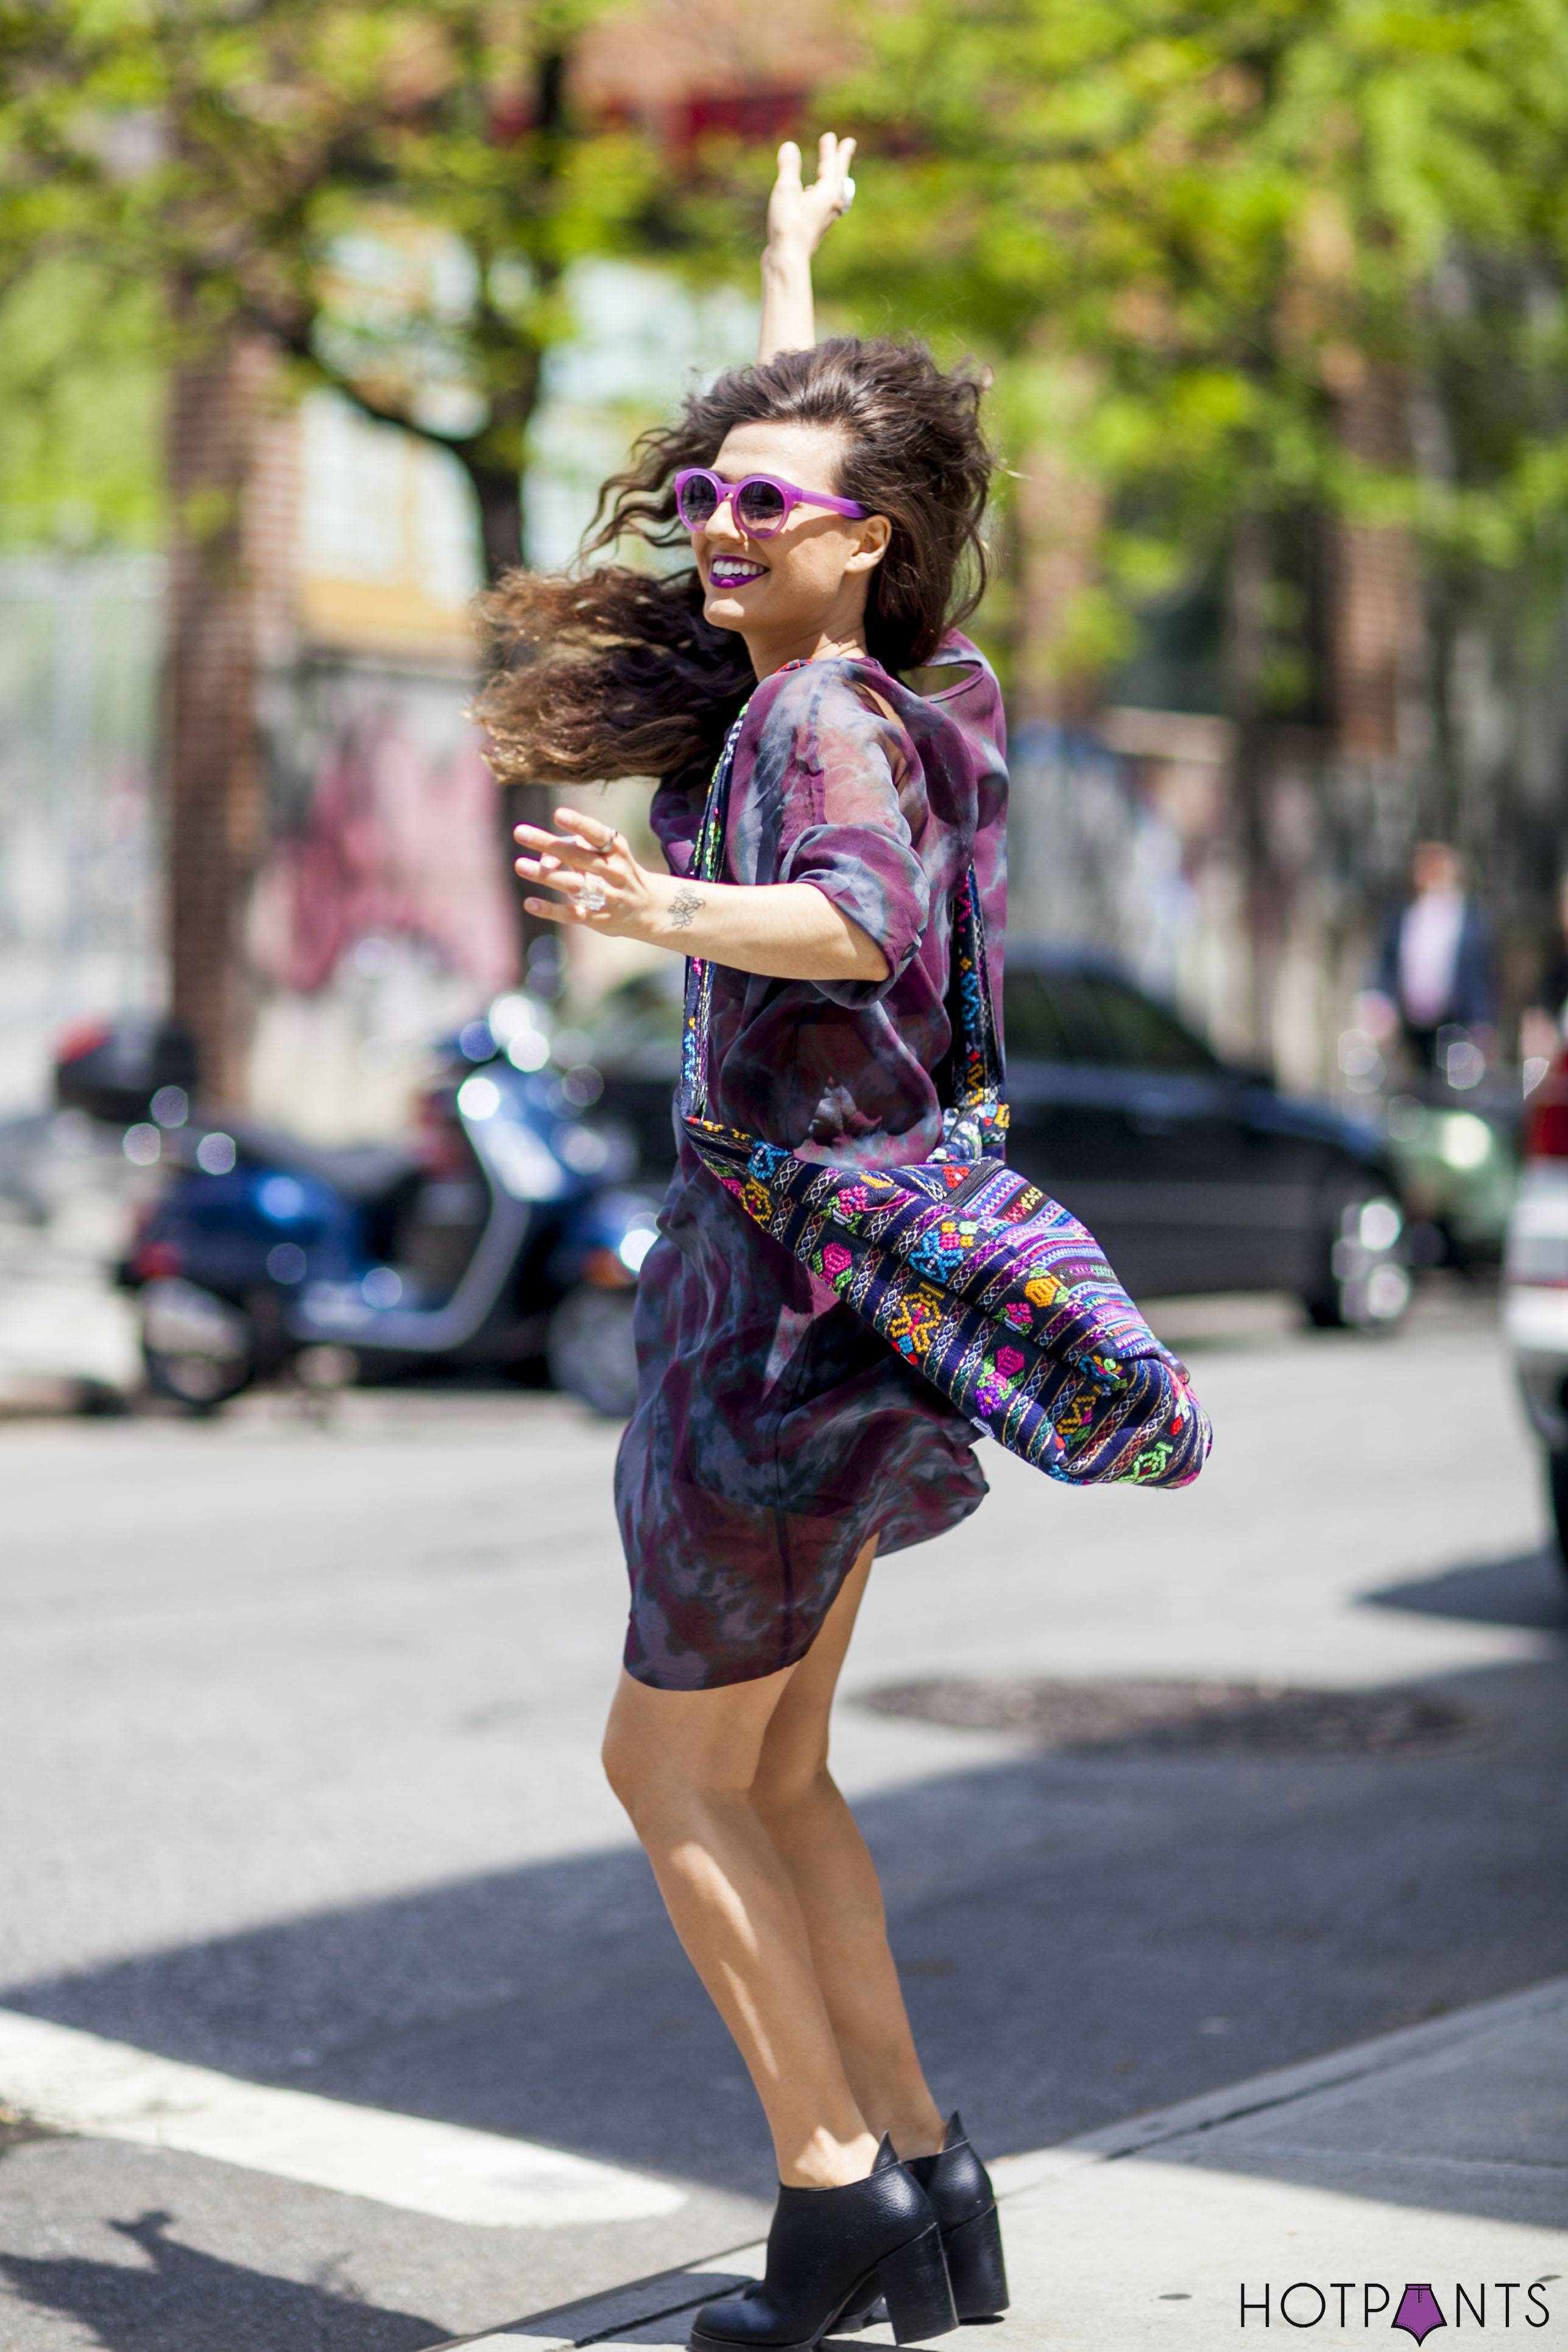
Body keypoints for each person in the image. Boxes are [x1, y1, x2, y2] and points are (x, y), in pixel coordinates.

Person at [480, 135, 1007, 2352]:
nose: (713, 523)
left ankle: (834, 2205)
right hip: (877, 1306)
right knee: (775, 1768)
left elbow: (862, 926)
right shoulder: (920, 689)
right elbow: (817, 503)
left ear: (857, 546)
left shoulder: (813, 721)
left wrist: (657, 904)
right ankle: (937, 2185)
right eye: (704, 496)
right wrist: (792, 282)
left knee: (664, 1769)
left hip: (773, 1324)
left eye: (758, 508)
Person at [1363, 841, 1497, 1075]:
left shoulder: (1467, 919)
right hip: (1411, 1023)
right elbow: (1388, 966)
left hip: (1455, 1021)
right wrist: (1381, 1005)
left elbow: (1479, 974)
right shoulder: (1405, 916)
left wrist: (1482, 1023)